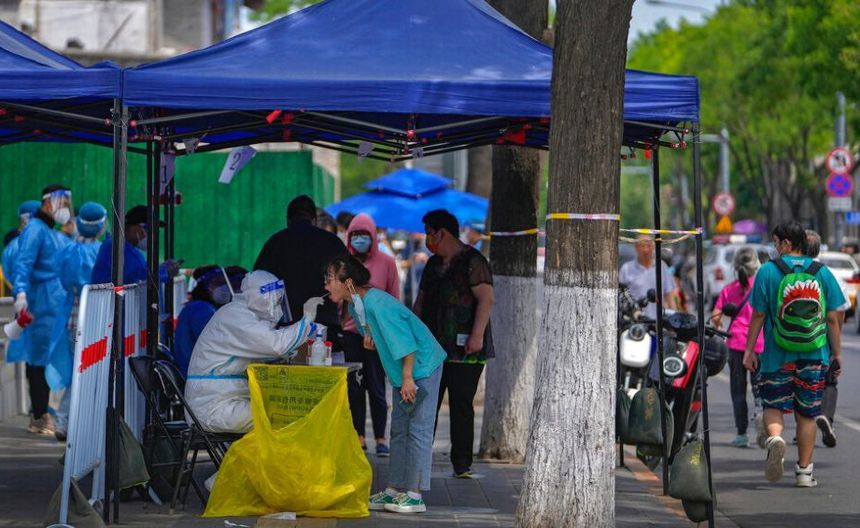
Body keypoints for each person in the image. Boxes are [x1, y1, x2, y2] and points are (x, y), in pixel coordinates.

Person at [324, 255, 445, 514]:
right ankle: (394, 489)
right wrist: (372, 339)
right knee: (399, 430)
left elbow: (407, 344)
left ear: (348, 283)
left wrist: (409, 378)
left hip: (420, 367)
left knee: (418, 430)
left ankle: (415, 495)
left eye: (330, 279)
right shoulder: (357, 306)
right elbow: (378, 335)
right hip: (403, 372)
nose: (326, 285)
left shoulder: (378, 304)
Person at [743, 221, 844, 488]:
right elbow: (833, 318)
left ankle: (776, 438)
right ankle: (804, 473)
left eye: (776, 242)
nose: (775, 247)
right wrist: (837, 353)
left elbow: (759, 314)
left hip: (777, 354)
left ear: (787, 243)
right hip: (814, 354)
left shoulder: (767, 271)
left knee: (774, 406)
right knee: (807, 413)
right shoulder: (822, 272)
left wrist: (749, 349)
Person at [185, 270, 323, 433]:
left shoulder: (245, 314)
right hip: (212, 407)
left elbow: (265, 349)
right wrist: (307, 321)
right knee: (281, 415)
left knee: (281, 412)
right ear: (263, 297)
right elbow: (275, 345)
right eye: (276, 300)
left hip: (223, 398)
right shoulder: (236, 316)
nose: (278, 306)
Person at [414, 209, 494, 479]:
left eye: (429, 233)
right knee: (427, 403)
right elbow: (421, 301)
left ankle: (462, 464)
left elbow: (486, 299)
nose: (427, 239)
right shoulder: (432, 265)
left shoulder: (473, 261)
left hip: (466, 350)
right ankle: (419, 458)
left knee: (461, 404)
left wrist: (477, 335)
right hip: (432, 348)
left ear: (442, 233)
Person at [9, 185, 74, 435]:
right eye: (63, 202)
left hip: (51, 304)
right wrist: (21, 293)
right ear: (48, 202)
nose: (65, 207)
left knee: (44, 358)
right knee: (38, 360)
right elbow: (23, 264)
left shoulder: (48, 231)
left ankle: (42, 412)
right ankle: (39, 415)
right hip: (40, 304)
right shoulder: (36, 230)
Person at [341, 213, 400, 455]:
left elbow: (394, 300)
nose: (359, 239)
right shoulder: (344, 263)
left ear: (374, 237)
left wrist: (384, 333)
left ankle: (381, 437)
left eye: (364, 235)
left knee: (376, 387)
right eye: (355, 235)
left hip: (378, 336)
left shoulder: (387, 263)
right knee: (354, 388)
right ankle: (359, 436)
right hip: (350, 334)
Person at [48, 202, 106, 441]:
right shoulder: (103, 252)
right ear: (101, 225)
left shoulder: (67, 250)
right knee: (91, 376)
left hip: (70, 320)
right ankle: (80, 426)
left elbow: (61, 280)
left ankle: (63, 421)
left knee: (75, 375)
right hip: (94, 322)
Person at [254, 195, 347, 332]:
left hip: (285, 329)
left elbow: (257, 283)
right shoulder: (333, 242)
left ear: (288, 220)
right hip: (326, 326)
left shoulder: (275, 242)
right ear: (314, 220)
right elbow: (350, 281)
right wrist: (342, 318)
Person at [711, 246, 764, 449]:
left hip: (735, 344)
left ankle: (741, 434)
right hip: (759, 344)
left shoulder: (728, 289)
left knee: (738, 391)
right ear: (756, 266)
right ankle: (760, 413)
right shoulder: (762, 288)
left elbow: (716, 316)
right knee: (761, 388)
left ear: (735, 266)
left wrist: (719, 326)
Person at [805, 230, 846, 448]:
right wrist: (836, 348)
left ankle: (804, 426)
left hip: (794, 336)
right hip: (823, 335)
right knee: (829, 379)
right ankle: (826, 418)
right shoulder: (830, 274)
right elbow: (837, 315)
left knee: (802, 380)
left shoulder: (788, 271)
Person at [173, 265, 248, 379]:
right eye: (217, 283)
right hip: (200, 377)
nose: (223, 288)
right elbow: (218, 343)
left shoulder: (202, 307)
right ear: (205, 286)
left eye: (223, 283)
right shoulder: (200, 308)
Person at [91, 205, 179, 285]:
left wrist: (161, 269)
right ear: (136, 229)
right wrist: (165, 272)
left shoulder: (115, 244)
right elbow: (144, 275)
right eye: (148, 230)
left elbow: (140, 271)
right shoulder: (122, 249)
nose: (150, 235)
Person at [618, 234, 676, 318]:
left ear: (653, 247)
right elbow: (621, 295)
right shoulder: (626, 269)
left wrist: (675, 317)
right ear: (636, 248)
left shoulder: (661, 267)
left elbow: (669, 295)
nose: (645, 250)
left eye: (648, 246)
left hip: (659, 321)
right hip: (635, 322)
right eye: (642, 246)